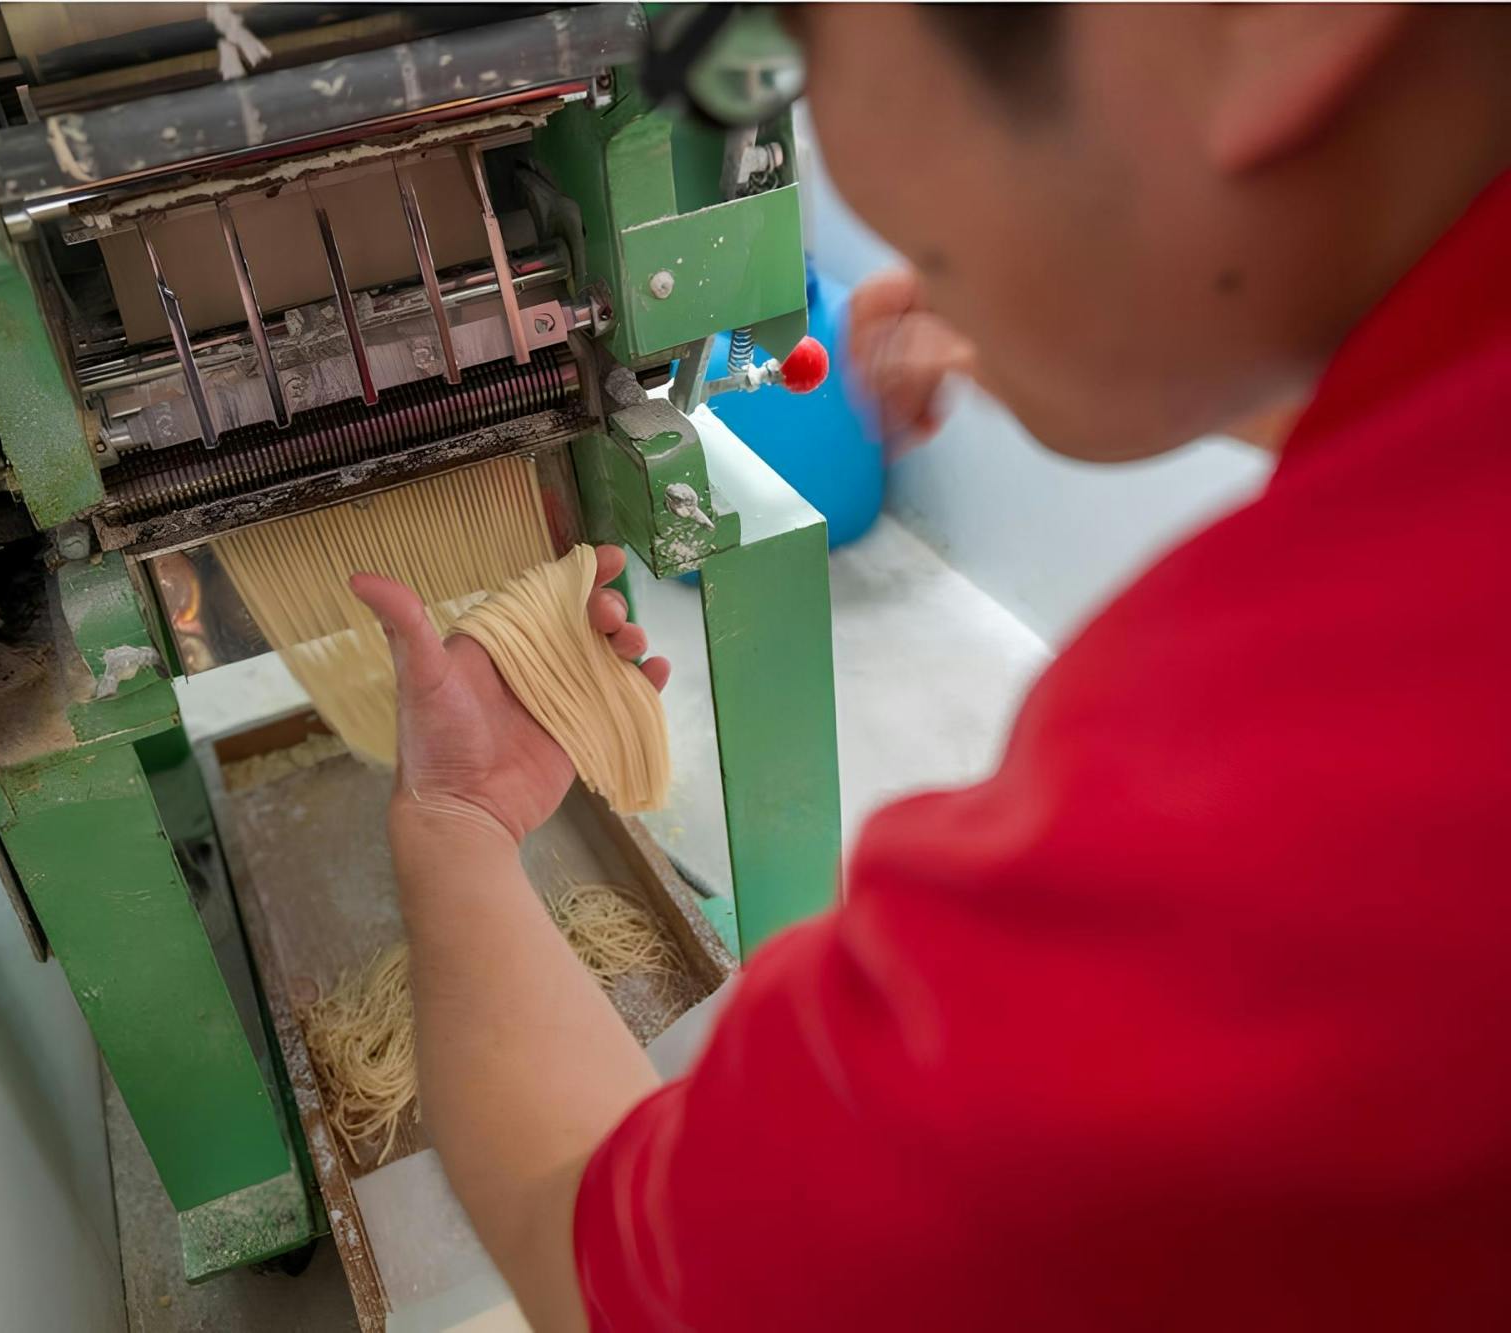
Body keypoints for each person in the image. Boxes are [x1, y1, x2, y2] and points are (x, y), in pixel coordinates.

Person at [346, 5, 1511, 1328]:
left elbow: (605, 1255)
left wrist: (453, 822)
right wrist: (1094, 326)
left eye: (792, 42)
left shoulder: (1252, 816)